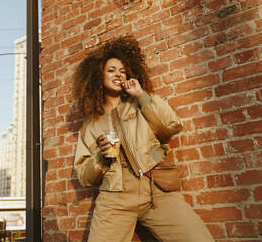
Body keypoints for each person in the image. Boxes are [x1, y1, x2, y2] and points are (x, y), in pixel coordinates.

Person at [73, 36, 214, 242]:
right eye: (111, 70)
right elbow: (84, 176)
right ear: (98, 76)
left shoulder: (139, 103)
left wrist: (141, 95)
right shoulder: (90, 126)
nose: (118, 75)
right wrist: (101, 157)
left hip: (157, 191)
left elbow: (172, 125)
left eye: (122, 71)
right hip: (115, 199)